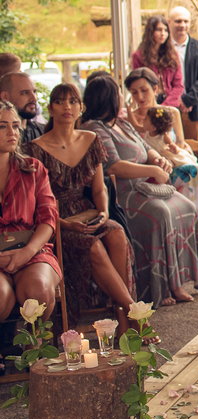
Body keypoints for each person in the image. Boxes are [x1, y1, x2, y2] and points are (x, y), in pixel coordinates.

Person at [81, 75, 198, 306]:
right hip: (122, 193)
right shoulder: (95, 128)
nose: (123, 97)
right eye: (119, 92)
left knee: (186, 206)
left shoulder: (122, 123)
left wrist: (158, 160)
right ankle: (157, 287)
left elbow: (147, 148)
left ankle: (176, 282)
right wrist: (152, 170)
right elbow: (112, 166)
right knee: (160, 214)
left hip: (145, 186)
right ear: (109, 97)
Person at [28, 84, 136, 331]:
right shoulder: (35, 148)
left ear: (81, 108)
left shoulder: (91, 139)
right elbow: (36, 203)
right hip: (55, 219)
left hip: (88, 212)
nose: (67, 107)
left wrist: (104, 213)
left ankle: (123, 319)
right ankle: (133, 311)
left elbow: (99, 189)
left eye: (73, 101)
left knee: (117, 233)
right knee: (93, 246)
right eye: (60, 102)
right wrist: (64, 224)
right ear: (50, 109)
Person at [124, 68, 198, 237]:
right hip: (149, 171)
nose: (139, 97)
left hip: (174, 164)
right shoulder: (128, 120)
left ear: (155, 89)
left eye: (144, 90)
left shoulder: (171, 113)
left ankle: (188, 234)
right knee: (193, 172)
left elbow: (180, 143)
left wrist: (178, 150)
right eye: (134, 92)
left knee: (191, 172)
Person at [0, 101, 62, 325]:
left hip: (33, 250)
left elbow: (48, 219)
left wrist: (26, 253)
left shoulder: (33, 169)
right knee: (1, 297)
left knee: (39, 291)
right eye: (2, 126)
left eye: (15, 126)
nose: (12, 132)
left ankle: (35, 344)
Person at [168, 6, 198, 140]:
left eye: (186, 21)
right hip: (167, 107)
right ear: (169, 22)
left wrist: (187, 100)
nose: (182, 25)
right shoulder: (162, 48)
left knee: (194, 147)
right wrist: (174, 100)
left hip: (194, 109)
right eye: (178, 21)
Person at [130, 14, 184, 109]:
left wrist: (165, 105)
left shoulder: (172, 55)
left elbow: (178, 85)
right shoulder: (138, 56)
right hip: (148, 104)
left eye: (166, 30)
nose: (163, 34)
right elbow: (137, 85)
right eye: (159, 30)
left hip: (170, 104)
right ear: (151, 32)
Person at [0, 71, 43, 144]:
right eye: (25, 93)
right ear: (5, 97)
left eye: (34, 92)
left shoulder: (42, 131)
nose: (34, 99)